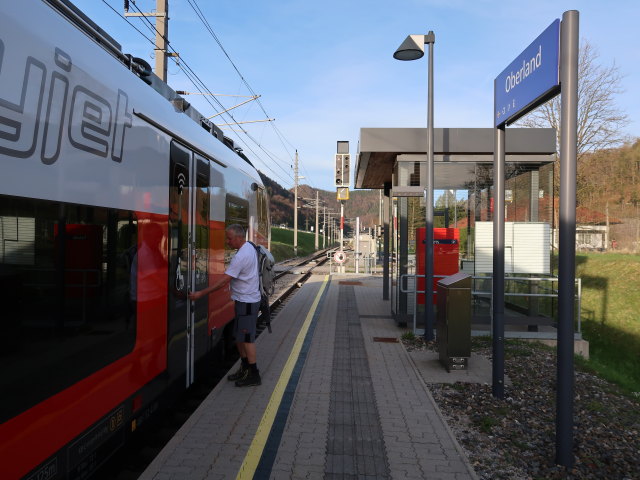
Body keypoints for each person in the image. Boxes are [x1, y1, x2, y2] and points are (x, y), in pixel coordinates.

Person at [189, 224, 261, 387]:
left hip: (247, 302)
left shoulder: (241, 256)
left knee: (247, 338)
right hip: (243, 300)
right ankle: (245, 367)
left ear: (239, 238)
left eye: (229, 238)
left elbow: (223, 281)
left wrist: (201, 293)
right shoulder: (249, 246)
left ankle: (254, 374)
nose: (227, 242)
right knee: (238, 337)